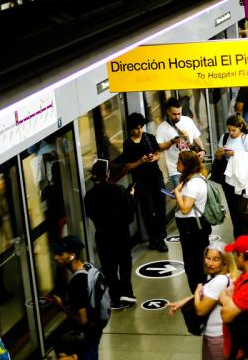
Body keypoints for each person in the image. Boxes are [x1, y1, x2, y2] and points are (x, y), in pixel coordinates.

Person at [167, 242, 238, 360]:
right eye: (208, 258)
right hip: (214, 333)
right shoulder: (219, 276)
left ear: (224, 262)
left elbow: (201, 310)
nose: (210, 263)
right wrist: (182, 302)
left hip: (217, 335)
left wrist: (196, 293)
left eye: (216, 259)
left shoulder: (220, 281)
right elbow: (207, 291)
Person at [84, 158, 136, 310]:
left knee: (109, 267)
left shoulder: (89, 195)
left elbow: (92, 215)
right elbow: (129, 216)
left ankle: (115, 297)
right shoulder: (118, 190)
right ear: (107, 173)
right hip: (120, 234)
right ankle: (127, 292)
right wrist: (130, 196)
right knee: (125, 262)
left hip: (102, 235)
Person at [120, 112, 168, 252]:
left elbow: (158, 153)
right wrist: (141, 161)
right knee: (147, 210)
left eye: (141, 127)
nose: (140, 130)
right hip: (141, 181)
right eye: (136, 128)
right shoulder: (128, 144)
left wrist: (155, 158)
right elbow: (127, 166)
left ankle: (160, 238)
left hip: (156, 177)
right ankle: (152, 237)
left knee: (160, 208)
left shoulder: (149, 138)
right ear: (131, 129)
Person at [50, 235, 102, 360]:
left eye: (60, 254)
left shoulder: (76, 282)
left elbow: (83, 320)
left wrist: (61, 305)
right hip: (96, 329)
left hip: (86, 336)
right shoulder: (88, 267)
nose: (55, 258)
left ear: (72, 255)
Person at [213, 114, 248, 240]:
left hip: (242, 178)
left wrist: (236, 154)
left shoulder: (247, 139)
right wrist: (220, 153)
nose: (231, 133)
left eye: (234, 130)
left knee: (242, 210)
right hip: (227, 178)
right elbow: (217, 157)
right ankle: (239, 236)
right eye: (229, 130)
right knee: (233, 210)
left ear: (240, 127)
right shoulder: (224, 137)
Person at [173, 150, 212, 293]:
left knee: (193, 266)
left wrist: (177, 193)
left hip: (192, 228)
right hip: (192, 227)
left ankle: (199, 296)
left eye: (179, 162)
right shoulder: (193, 179)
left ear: (186, 165)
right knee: (195, 263)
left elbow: (185, 209)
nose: (176, 164)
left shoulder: (194, 183)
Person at [156, 97, 206, 189]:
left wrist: (203, 150)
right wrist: (172, 142)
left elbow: (197, 137)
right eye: (174, 114)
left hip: (194, 167)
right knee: (183, 198)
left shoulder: (187, 120)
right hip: (176, 171)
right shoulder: (162, 128)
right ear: (168, 112)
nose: (177, 116)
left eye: (179, 113)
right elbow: (159, 147)